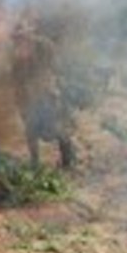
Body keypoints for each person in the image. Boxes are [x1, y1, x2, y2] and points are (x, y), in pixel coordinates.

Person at [11, 14, 77, 169]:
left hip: (46, 94)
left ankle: (68, 158)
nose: (18, 40)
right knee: (30, 131)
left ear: (29, 34)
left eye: (22, 36)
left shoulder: (44, 46)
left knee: (53, 130)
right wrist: (20, 101)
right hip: (28, 98)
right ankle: (35, 163)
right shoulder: (16, 55)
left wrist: (47, 88)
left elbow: (51, 68)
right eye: (16, 37)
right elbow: (16, 79)